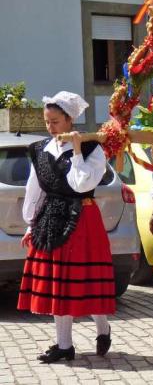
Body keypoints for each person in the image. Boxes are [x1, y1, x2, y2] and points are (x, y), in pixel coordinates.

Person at [18, 91, 115, 363]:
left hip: (81, 217)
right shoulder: (40, 150)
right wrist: (30, 224)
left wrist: (75, 151)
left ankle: (102, 327)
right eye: (47, 121)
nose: (50, 127)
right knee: (58, 284)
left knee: (82, 282)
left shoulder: (92, 148)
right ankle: (64, 345)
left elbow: (81, 184)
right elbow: (34, 188)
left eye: (56, 121)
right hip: (50, 217)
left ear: (70, 119)